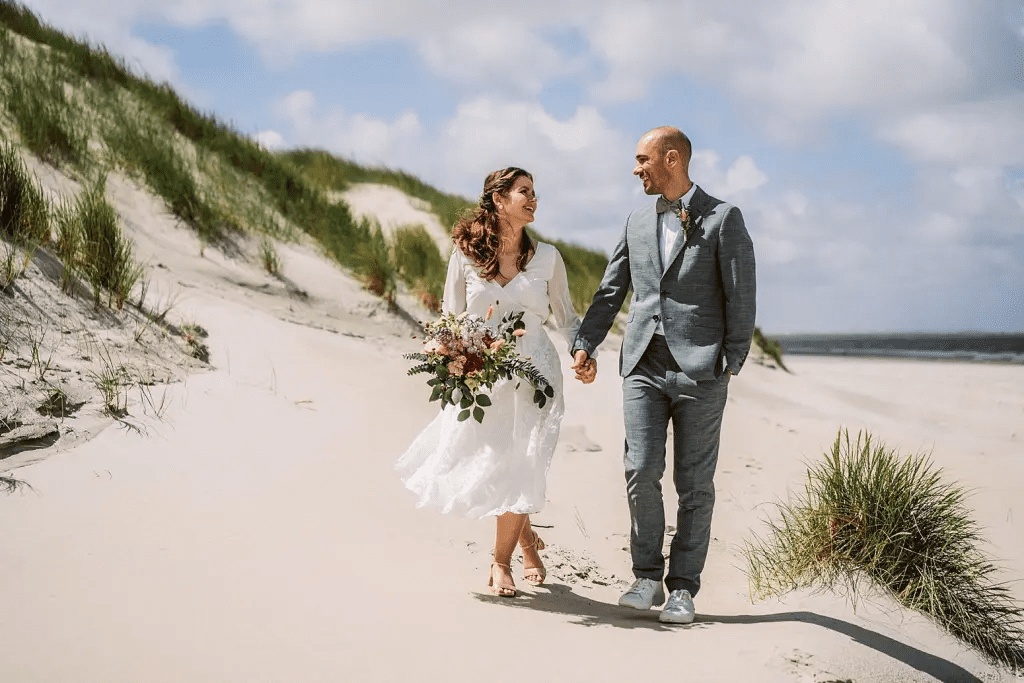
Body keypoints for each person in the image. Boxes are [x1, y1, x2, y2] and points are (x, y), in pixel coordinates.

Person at [570, 126, 756, 623]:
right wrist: (586, 342)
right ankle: (647, 576)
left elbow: (741, 293)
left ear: (671, 160)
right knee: (639, 470)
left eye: (642, 160)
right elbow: (612, 290)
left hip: (702, 370)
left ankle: (683, 588)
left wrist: (731, 360)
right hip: (642, 366)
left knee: (694, 485)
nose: (636, 169)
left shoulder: (723, 218)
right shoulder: (635, 220)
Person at [396, 167, 585, 598]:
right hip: (486, 372)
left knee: (526, 459)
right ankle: (526, 538)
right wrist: (446, 356)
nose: (533, 199)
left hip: (537, 375)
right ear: (499, 200)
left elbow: (567, 318)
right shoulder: (464, 255)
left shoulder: (549, 258)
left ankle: (500, 563)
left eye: (535, 193)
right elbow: (450, 315)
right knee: (498, 461)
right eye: (524, 192)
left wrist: (582, 353)